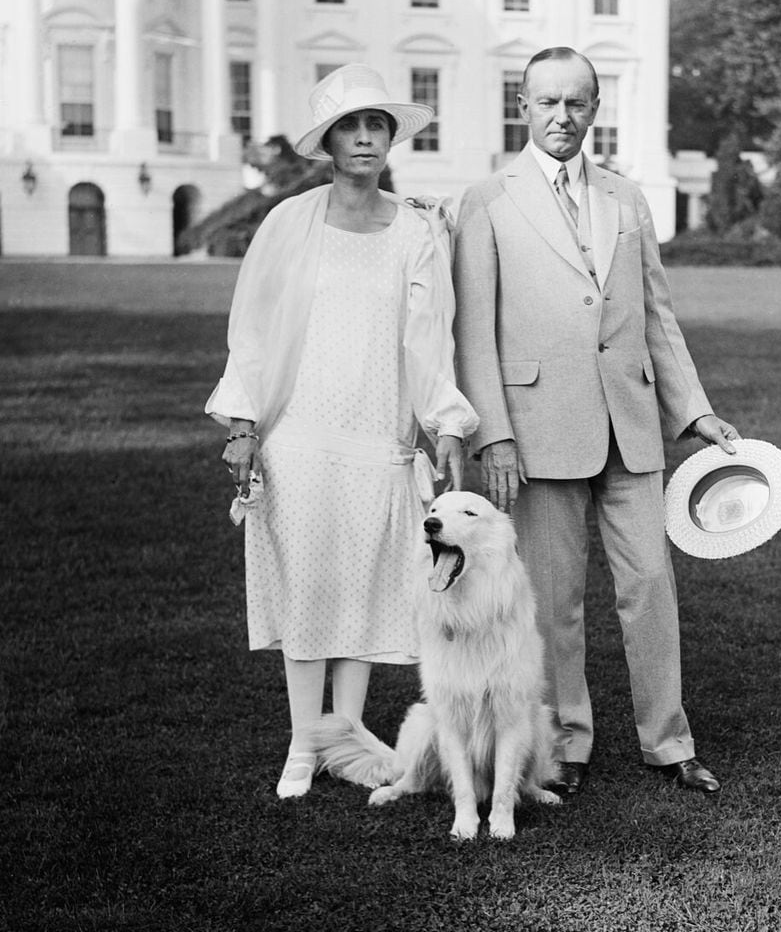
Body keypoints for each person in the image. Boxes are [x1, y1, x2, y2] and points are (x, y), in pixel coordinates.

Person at [452, 47, 737, 798]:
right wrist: (495, 434)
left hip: (633, 422)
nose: (562, 117)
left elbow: (657, 318)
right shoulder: (485, 200)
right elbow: (473, 333)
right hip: (537, 427)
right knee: (554, 599)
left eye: (576, 102)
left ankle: (669, 743)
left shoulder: (626, 198)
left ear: (595, 109)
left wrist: (695, 410)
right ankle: (566, 743)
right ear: (522, 107)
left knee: (650, 585)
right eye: (547, 102)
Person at [206, 63, 478, 799]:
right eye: (349, 127)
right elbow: (253, 333)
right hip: (300, 435)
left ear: (391, 138)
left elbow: (431, 339)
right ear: (326, 142)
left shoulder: (417, 227)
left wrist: (445, 424)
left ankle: (346, 740)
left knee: (363, 592)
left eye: (376, 126)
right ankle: (302, 743)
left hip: (378, 437)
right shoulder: (288, 222)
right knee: (307, 593)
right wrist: (244, 427)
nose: (364, 138)